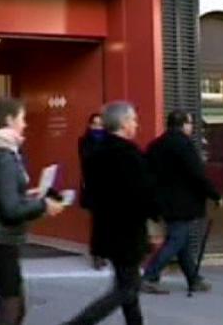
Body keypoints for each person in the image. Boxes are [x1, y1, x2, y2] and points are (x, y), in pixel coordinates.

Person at [0, 97, 65, 325]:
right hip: (0, 244)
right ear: (9, 120)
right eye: (22, 119)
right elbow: (10, 209)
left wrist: (29, 196)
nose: (25, 124)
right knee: (11, 315)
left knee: (12, 314)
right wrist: (43, 205)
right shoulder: (4, 156)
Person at [65, 101, 158, 325]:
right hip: (127, 229)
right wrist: (156, 212)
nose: (136, 125)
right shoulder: (128, 153)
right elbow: (142, 191)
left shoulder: (96, 152)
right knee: (127, 288)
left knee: (127, 284)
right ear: (124, 123)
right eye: (134, 120)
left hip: (106, 226)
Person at [140, 110, 221, 295]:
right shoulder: (184, 145)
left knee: (181, 241)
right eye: (190, 123)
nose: (192, 127)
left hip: (162, 202)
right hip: (182, 203)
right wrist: (215, 194)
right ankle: (149, 276)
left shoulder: (155, 145)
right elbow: (197, 174)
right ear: (183, 124)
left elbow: (146, 173)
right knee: (177, 239)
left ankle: (193, 279)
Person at [78, 113, 107, 270]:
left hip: (108, 187)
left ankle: (103, 252)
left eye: (100, 124)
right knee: (97, 222)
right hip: (93, 187)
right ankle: (97, 255)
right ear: (89, 125)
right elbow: (87, 160)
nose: (98, 127)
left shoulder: (109, 140)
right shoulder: (85, 141)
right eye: (95, 124)